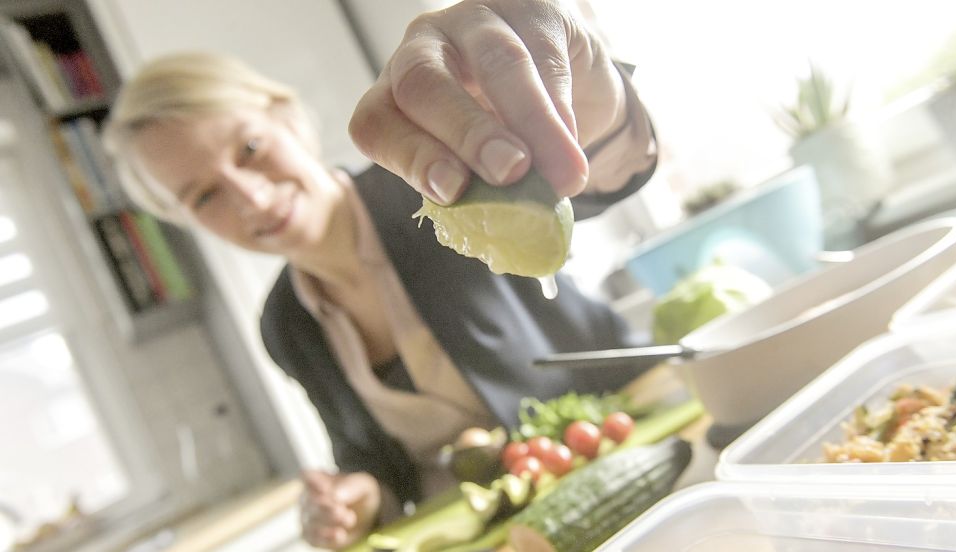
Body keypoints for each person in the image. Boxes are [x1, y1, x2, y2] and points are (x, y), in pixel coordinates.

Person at [103, 0, 658, 548]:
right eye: (203, 196)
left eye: (249, 149)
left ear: (287, 119)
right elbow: (368, 456)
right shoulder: (284, 326)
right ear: (185, 220)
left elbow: (589, 185)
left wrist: (601, 107)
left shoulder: (431, 186)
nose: (249, 198)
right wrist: (359, 497)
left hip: (628, 454)